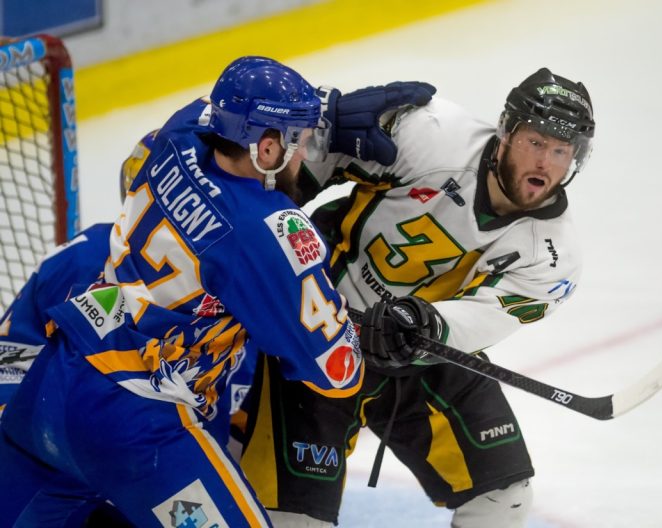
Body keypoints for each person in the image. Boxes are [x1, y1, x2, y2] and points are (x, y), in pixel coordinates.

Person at [0, 56, 432, 527]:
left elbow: (223, 103)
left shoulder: (179, 132)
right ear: (267, 149)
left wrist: (327, 109)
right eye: (300, 143)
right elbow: (337, 371)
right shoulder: (266, 229)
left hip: (55, 386)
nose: (306, 157)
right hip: (134, 423)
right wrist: (358, 329)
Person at [237, 67, 595, 527]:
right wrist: (265, 225)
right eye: (535, 143)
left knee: (503, 497)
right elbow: (302, 161)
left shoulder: (554, 255)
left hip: (420, 352)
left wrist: (428, 326)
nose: (545, 162)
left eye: (560, 151)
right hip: (321, 330)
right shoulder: (429, 135)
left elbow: (486, 316)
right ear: (507, 134)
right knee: (291, 521)